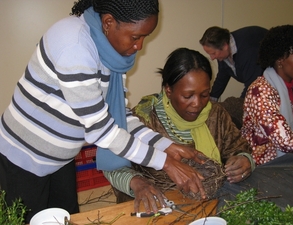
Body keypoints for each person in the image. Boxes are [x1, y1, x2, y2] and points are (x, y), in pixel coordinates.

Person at [0, 1, 205, 223]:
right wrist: (164, 162)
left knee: (66, 216)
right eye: (136, 37)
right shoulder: (74, 46)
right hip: (24, 157)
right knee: (27, 219)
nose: (140, 46)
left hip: (59, 159)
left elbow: (120, 117)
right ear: (108, 22)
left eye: (145, 37)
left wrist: (166, 145)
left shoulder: (111, 55)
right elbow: (100, 130)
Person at [102, 47, 254, 214]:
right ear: (169, 90)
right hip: (159, 206)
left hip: (210, 202)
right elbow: (111, 166)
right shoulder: (143, 119)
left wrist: (244, 160)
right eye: (188, 96)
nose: (197, 104)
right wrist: (137, 183)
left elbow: (238, 148)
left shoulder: (216, 115)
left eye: (204, 95)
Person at [218, 24, 293, 210]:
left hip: (286, 163)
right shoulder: (260, 90)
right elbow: (285, 141)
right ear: (280, 60)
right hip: (261, 167)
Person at [199, 26, 268, 101]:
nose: (212, 58)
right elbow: (222, 77)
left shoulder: (248, 48)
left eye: (213, 53)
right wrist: (211, 100)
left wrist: (238, 106)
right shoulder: (223, 51)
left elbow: (252, 84)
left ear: (225, 46)